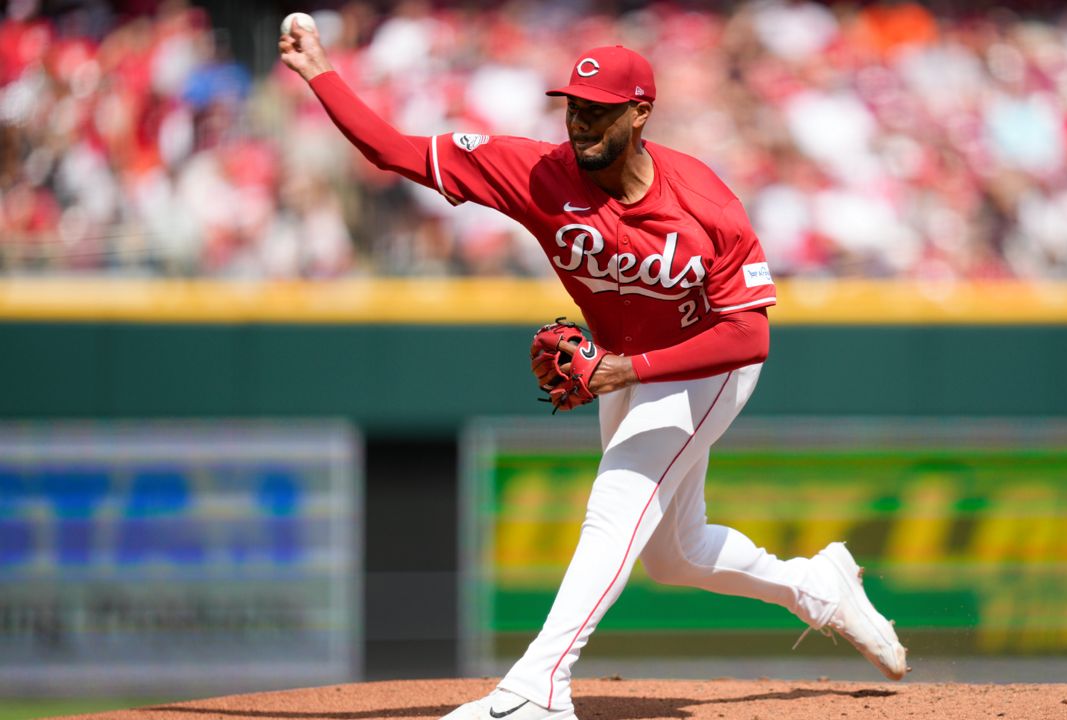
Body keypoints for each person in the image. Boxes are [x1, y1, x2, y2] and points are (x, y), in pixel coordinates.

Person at [279, 20, 908, 720]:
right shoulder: (537, 172)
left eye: (599, 110)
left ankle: (538, 687)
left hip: (707, 363)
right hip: (627, 366)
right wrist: (321, 73)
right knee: (676, 555)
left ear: (640, 113)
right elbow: (393, 149)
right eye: (574, 106)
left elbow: (749, 336)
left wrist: (625, 370)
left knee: (616, 503)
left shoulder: (703, 203)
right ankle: (817, 587)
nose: (581, 122)